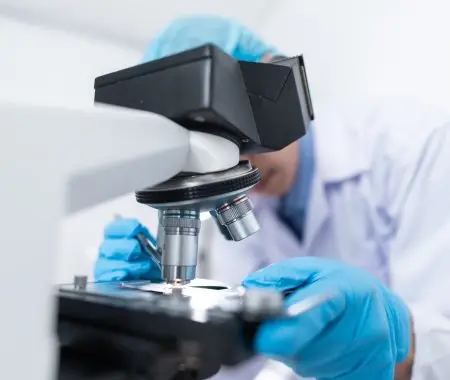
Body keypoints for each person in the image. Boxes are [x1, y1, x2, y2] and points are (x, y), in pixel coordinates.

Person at [94, 15, 450, 380]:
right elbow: (241, 360)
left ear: (272, 92)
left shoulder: (412, 148)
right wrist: (164, 329)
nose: (239, 174)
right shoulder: (236, 202)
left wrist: (395, 338)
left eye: (236, 147)